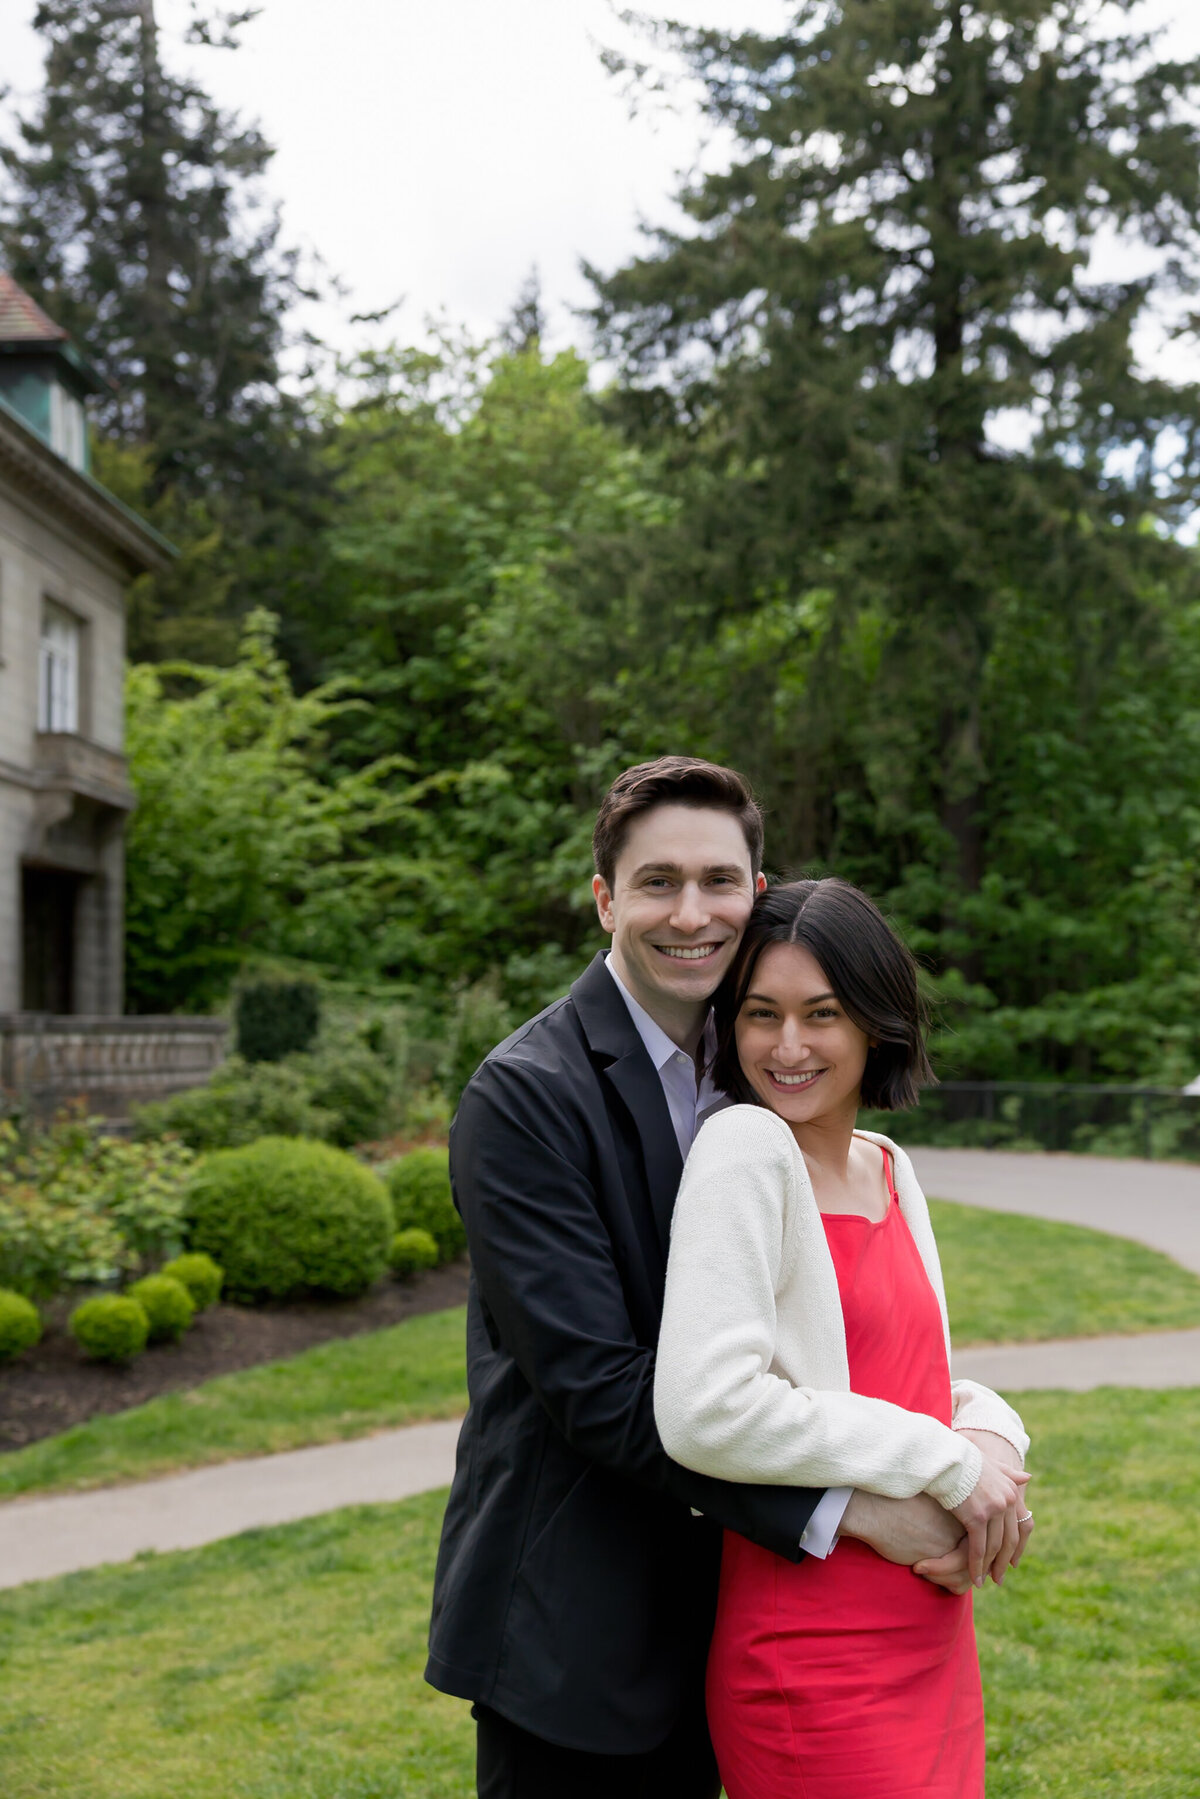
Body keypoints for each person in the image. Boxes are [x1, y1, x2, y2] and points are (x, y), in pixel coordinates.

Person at [426, 758, 1027, 1799]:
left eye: (719, 879)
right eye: (657, 881)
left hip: (757, 1609)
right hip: (586, 1624)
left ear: (758, 889)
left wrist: (985, 1428)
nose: (690, 911)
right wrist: (847, 1507)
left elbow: (839, 1338)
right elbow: (600, 1388)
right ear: (605, 897)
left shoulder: (762, 1063)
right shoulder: (524, 1098)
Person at [654, 876, 1034, 1799]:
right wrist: (947, 1465)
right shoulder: (744, 1150)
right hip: (811, 1646)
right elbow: (706, 1411)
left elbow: (912, 1377)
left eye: (821, 1013)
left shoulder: (890, 1165)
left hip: (930, 1627)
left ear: (875, 1020)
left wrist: (994, 1437)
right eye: (760, 1013)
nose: (788, 1046)